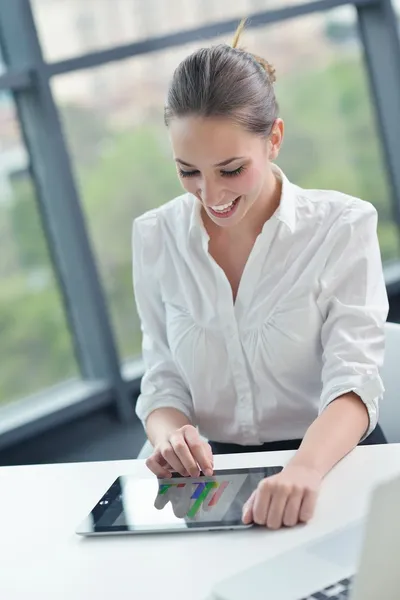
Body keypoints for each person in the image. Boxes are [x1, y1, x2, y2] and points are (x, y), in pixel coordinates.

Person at [132, 19, 389, 530]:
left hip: (331, 463)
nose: (211, 196)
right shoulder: (155, 236)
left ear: (274, 139)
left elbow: (355, 382)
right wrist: (170, 436)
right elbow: (162, 379)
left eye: (230, 170)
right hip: (214, 479)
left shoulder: (342, 226)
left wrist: (305, 470)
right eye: (188, 171)